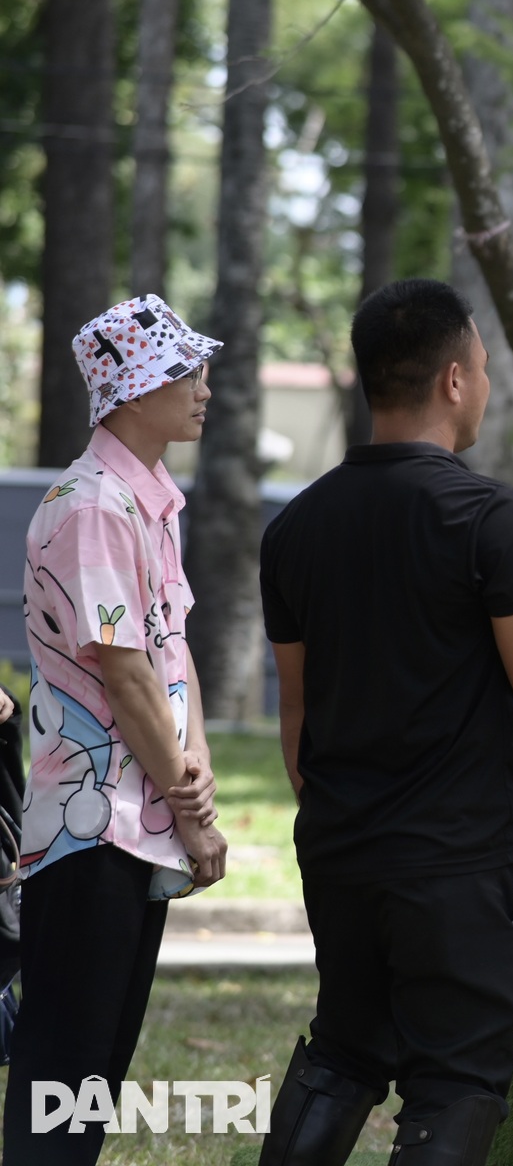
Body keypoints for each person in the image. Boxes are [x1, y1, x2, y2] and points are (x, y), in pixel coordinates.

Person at [256, 279, 513, 1166]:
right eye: (479, 367)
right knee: (458, 1080)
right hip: (454, 865)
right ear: (451, 380)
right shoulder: (488, 516)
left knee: (342, 1053)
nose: (480, 385)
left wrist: (334, 818)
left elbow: (297, 705)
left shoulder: (294, 528)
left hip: (338, 852)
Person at [7, 294, 228, 1165]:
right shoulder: (93, 506)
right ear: (132, 391)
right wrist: (194, 811)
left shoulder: (145, 501)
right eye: (186, 373)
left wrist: (197, 761)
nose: (204, 388)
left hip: (132, 825)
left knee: (93, 1074)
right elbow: (127, 675)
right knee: (65, 1070)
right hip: (89, 832)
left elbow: (172, 647)